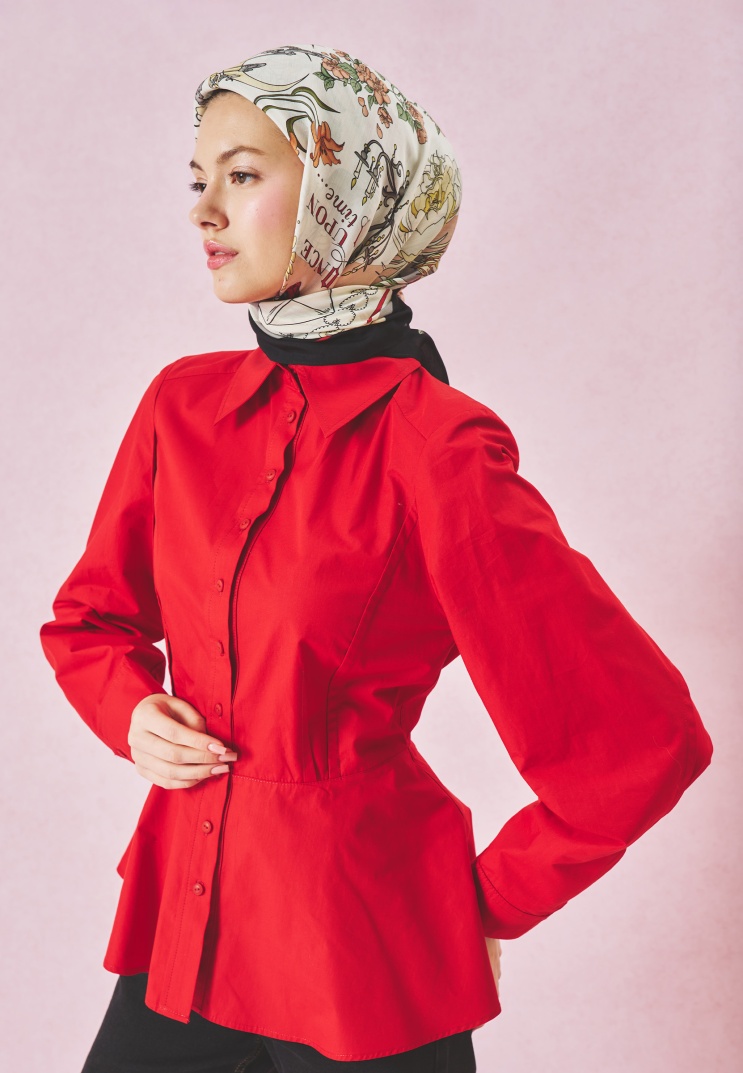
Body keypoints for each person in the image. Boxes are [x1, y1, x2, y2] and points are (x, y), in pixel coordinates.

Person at [39, 43, 713, 1073]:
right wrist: (130, 709)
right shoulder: (180, 406)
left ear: (346, 193)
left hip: (361, 960)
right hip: (186, 921)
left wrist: (480, 902)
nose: (203, 211)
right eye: (198, 178)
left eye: (243, 175)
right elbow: (89, 621)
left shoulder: (437, 447)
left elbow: (638, 738)